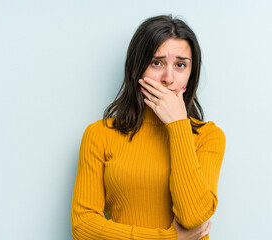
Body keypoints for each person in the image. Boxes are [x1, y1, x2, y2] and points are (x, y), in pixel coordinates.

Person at [70, 14, 226, 240]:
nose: (168, 78)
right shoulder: (100, 135)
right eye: (156, 63)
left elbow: (193, 217)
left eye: (180, 65)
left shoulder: (208, 137)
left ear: (191, 74)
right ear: (137, 68)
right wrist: (170, 238)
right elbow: (83, 228)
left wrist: (179, 126)